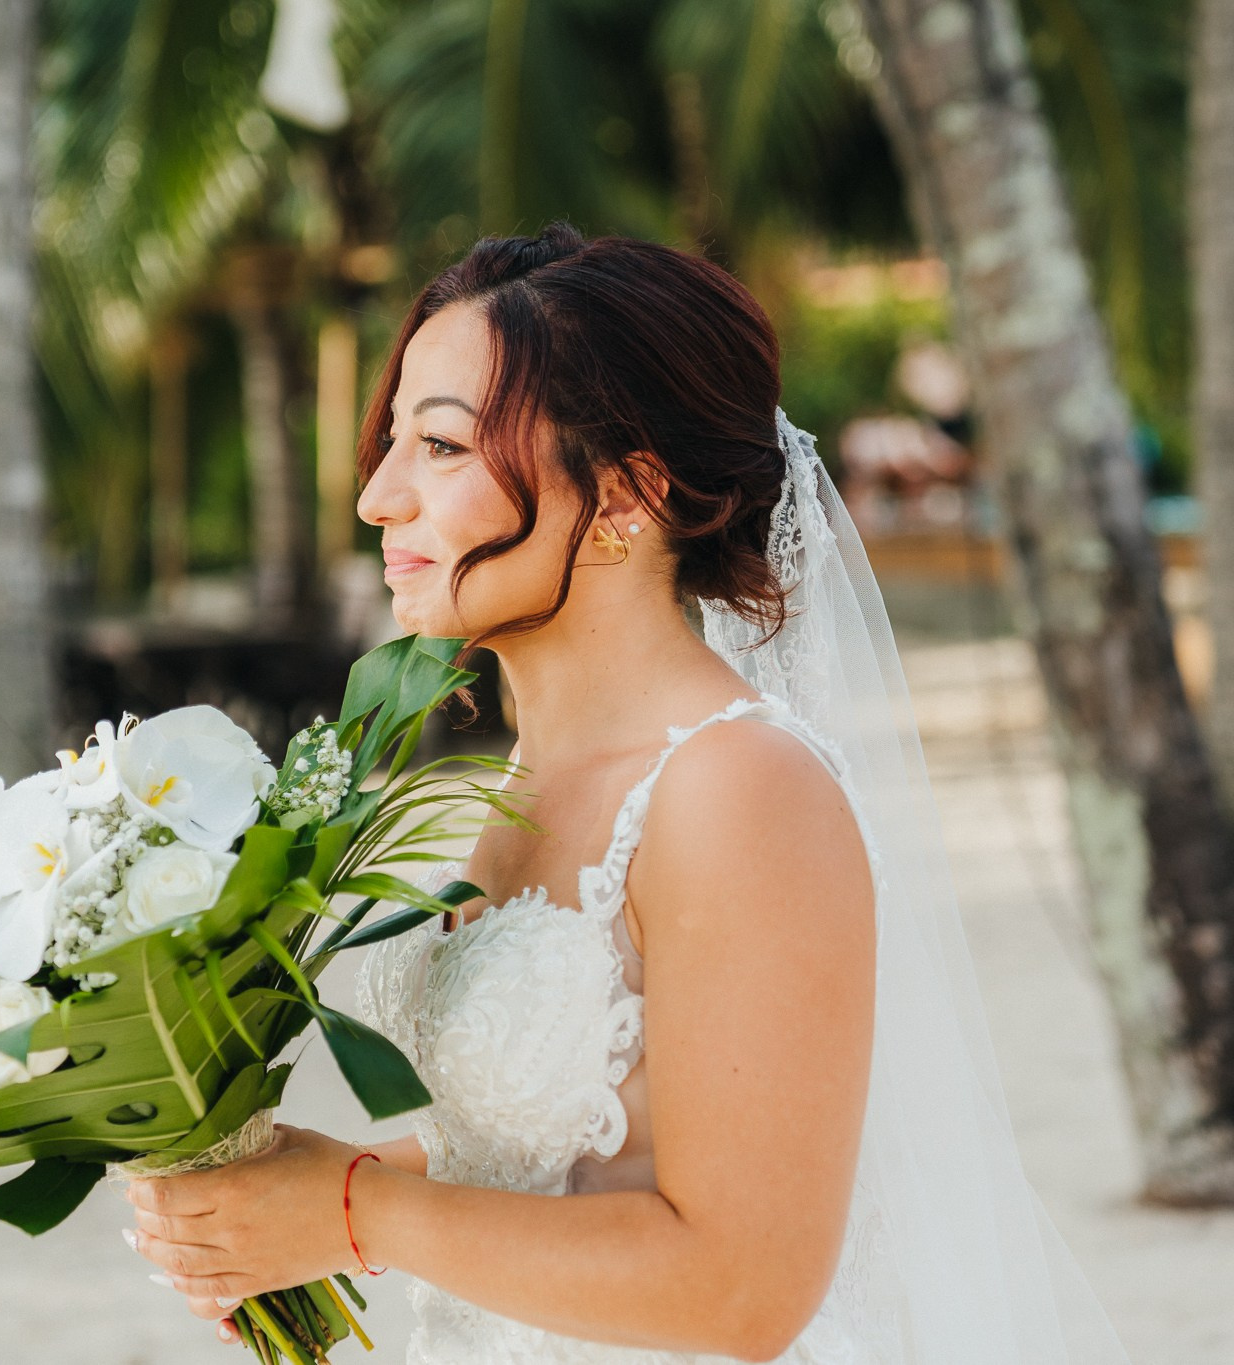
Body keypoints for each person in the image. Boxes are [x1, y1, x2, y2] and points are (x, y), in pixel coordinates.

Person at [123, 224, 1134, 1364]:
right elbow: (552, 1161)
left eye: (441, 447)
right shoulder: (502, 784)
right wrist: (287, 1212)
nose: (377, 497)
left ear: (622, 494)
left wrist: (359, 1210)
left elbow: (744, 1288)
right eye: (392, 441)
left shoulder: (736, 793)